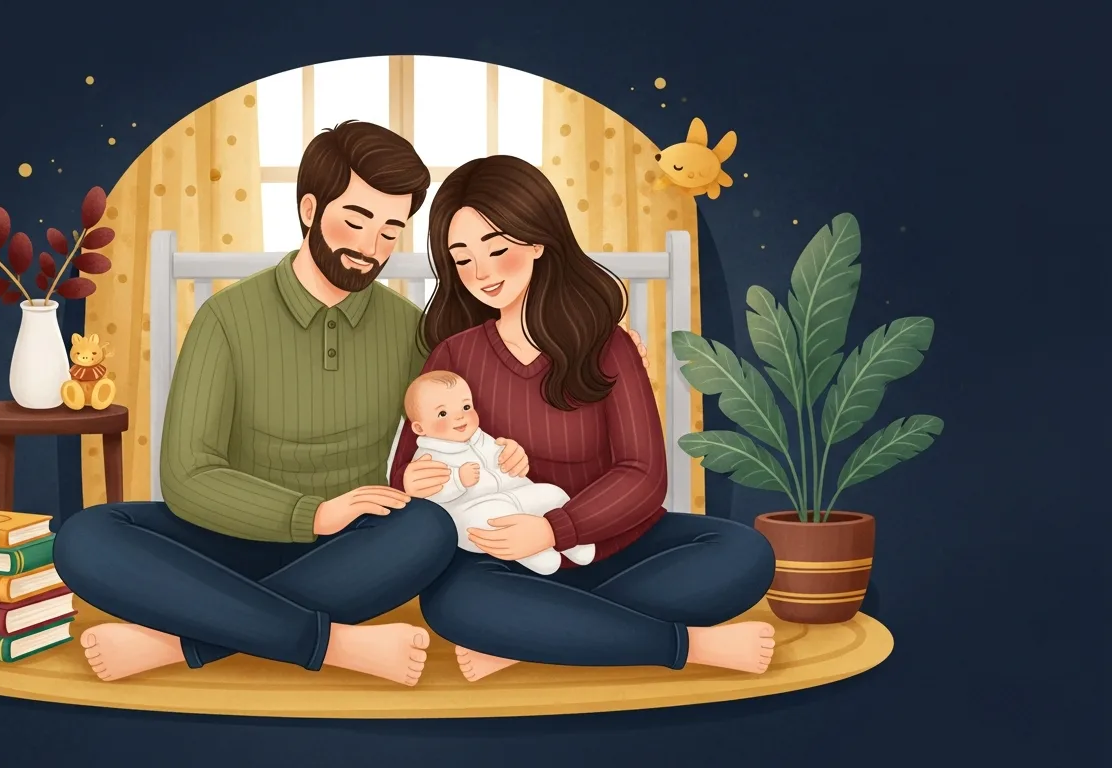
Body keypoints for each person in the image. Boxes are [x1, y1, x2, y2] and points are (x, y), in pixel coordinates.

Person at [54, 121, 458, 686]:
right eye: (357, 220)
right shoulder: (226, 318)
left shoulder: (411, 331)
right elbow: (188, 476)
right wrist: (312, 514)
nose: (371, 248)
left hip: (348, 555)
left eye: (391, 231)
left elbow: (442, 435)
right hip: (225, 544)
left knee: (429, 530)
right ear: (310, 209)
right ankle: (334, 643)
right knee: (86, 537)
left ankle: (183, 642)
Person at [390, 155, 779, 682]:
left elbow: (643, 474)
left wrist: (554, 529)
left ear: (536, 242)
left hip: (615, 545)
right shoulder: (454, 355)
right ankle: (683, 645)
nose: (480, 272)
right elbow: (413, 470)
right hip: (503, 562)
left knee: (744, 554)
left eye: (496, 250)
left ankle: (535, 638)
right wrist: (413, 481)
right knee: (453, 602)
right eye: (461, 259)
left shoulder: (607, 345)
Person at [402, 370, 593, 575]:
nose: (460, 416)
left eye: (466, 407)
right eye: (442, 413)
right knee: (490, 522)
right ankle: (535, 556)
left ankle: (575, 544)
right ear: (420, 428)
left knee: (552, 493)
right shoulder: (428, 457)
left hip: (515, 494)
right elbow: (429, 495)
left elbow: (500, 459)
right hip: (472, 508)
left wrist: (507, 452)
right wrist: (458, 480)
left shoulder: (480, 437)